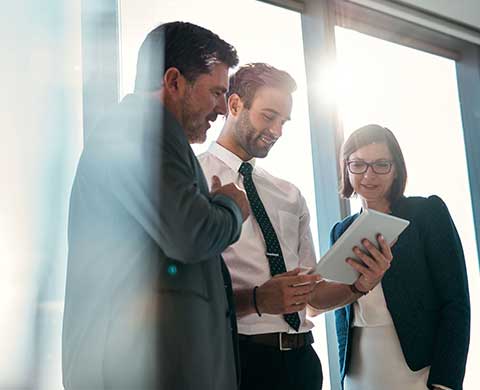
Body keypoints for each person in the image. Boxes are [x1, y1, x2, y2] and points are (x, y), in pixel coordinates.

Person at [62, 22, 249, 390]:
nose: (220, 110)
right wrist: (229, 206)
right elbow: (191, 234)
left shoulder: (146, 133)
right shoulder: (143, 128)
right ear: (174, 80)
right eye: (215, 92)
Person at [198, 63, 393, 390]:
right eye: (268, 115)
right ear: (234, 105)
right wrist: (258, 299)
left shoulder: (288, 194)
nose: (277, 130)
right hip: (239, 360)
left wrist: (360, 286)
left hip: (302, 363)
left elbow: (312, 296)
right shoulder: (196, 179)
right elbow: (186, 293)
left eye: (283, 122)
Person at [332, 124, 470, 390]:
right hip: (359, 369)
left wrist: (446, 382)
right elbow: (342, 312)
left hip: (419, 368)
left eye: (381, 164)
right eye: (358, 164)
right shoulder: (340, 231)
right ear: (346, 168)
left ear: (396, 170)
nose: (369, 175)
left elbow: (456, 302)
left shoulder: (427, 212)